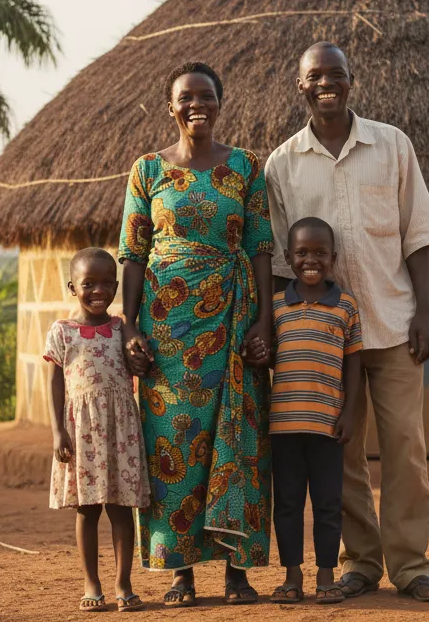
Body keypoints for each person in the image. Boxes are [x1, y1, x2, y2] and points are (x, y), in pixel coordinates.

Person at [264, 42, 429, 602]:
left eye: (337, 75)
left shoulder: (391, 145)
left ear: (352, 81)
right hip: (321, 340)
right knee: (339, 454)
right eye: (315, 76)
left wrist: (426, 311)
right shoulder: (282, 165)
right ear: (300, 85)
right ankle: (361, 563)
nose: (327, 84)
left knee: (405, 448)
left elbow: (417, 234)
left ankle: (412, 566)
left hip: (393, 323)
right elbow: (279, 263)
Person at [118, 62, 275, 607]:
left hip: (232, 324)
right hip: (167, 336)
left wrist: (263, 322)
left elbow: (259, 246)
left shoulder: (246, 168)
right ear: (171, 106)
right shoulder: (146, 172)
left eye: (206, 96)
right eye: (186, 98)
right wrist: (130, 327)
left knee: (238, 442)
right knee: (175, 447)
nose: (196, 105)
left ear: (220, 103)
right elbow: (133, 254)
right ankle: (180, 569)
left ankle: (237, 570)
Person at [46, 248, 149, 613]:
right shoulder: (62, 332)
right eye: (89, 284)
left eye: (107, 283)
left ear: (117, 286)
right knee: (87, 510)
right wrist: (58, 430)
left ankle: (123, 583)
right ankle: (92, 582)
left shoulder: (122, 328)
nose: (98, 291)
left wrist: (140, 359)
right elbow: (55, 382)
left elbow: (140, 367)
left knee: (121, 509)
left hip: (120, 430)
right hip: (81, 432)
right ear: (72, 286)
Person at [268, 217, 363, 606]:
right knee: (287, 503)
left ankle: (326, 577)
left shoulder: (346, 307)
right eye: (303, 252)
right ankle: (293, 577)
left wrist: (350, 412)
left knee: (327, 502)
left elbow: (354, 366)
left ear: (333, 257)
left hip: (327, 426)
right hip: (284, 427)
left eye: (320, 253)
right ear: (288, 257)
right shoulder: (275, 307)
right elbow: (269, 358)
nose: (312, 260)